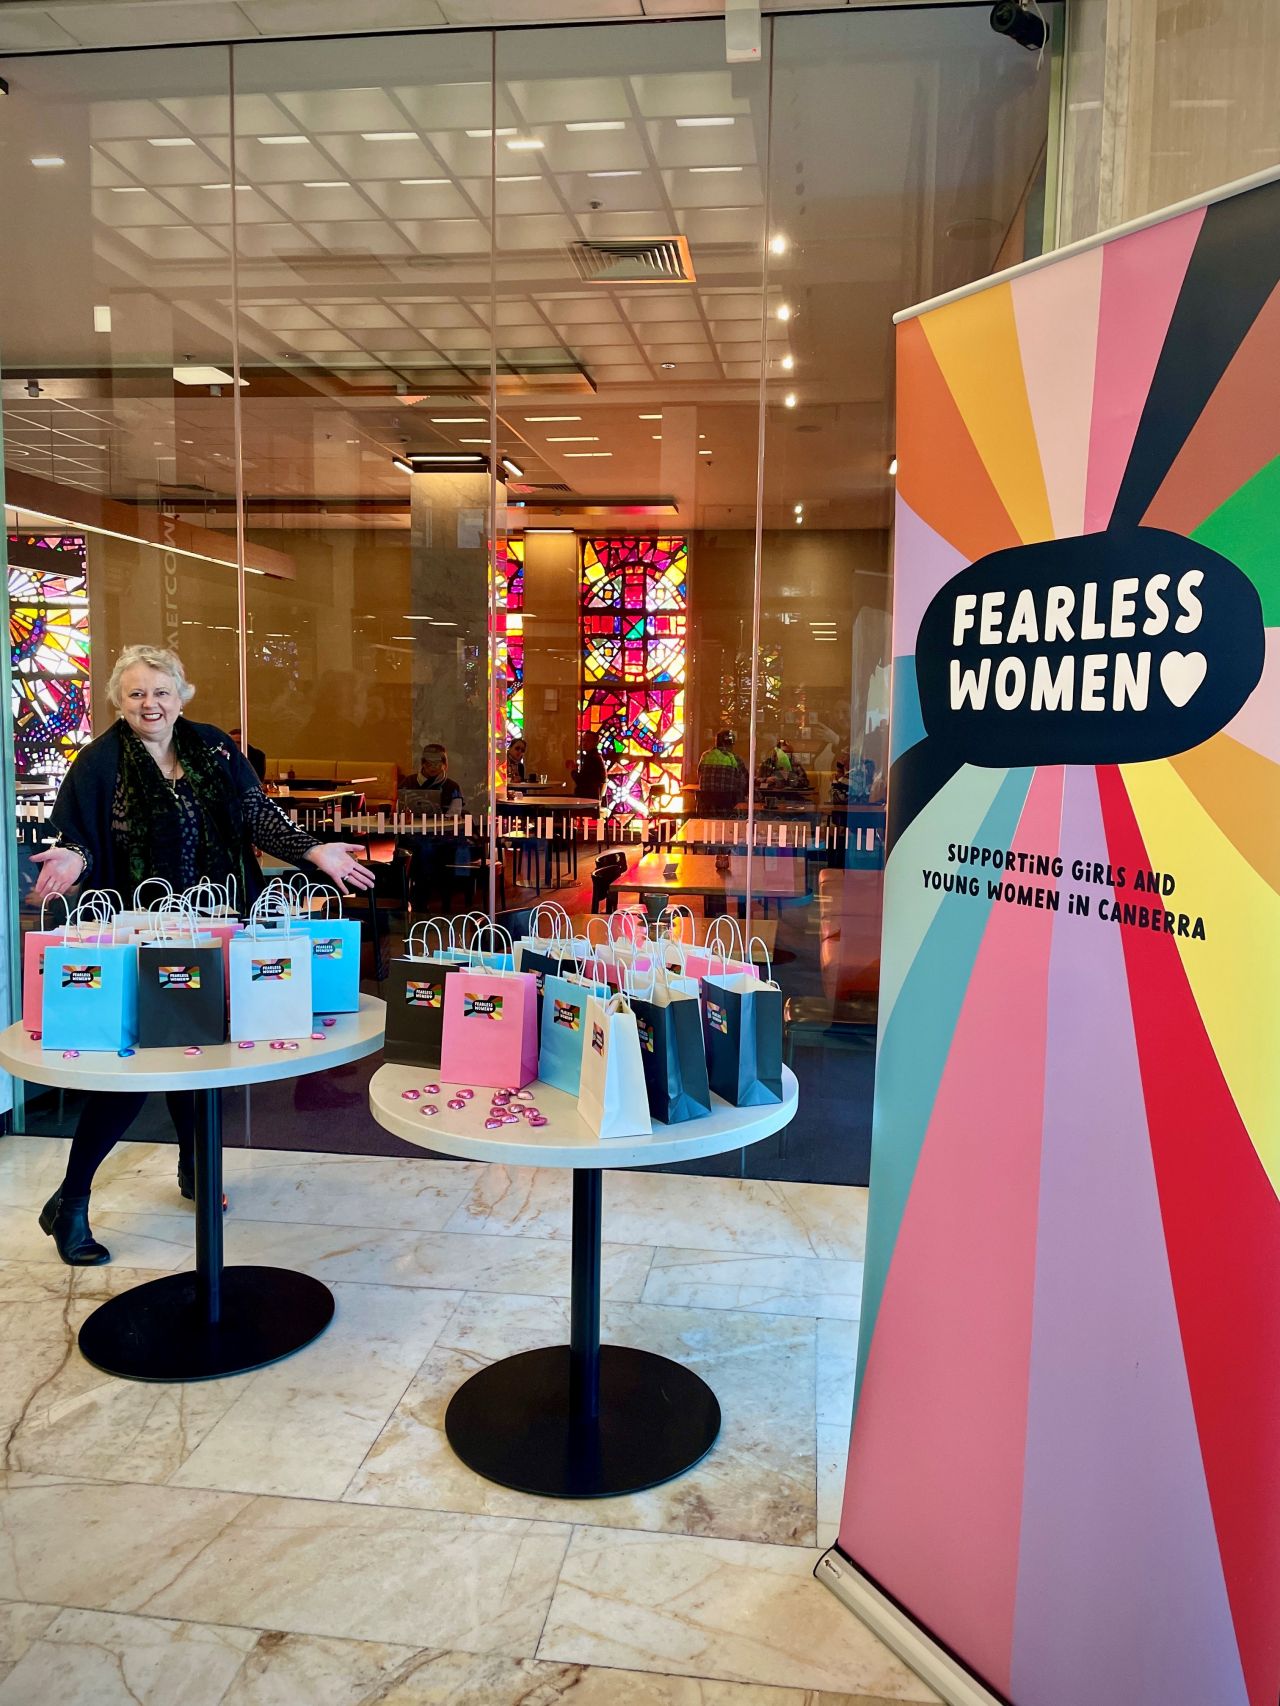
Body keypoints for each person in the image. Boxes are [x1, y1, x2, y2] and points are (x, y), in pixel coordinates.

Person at [30, 644, 374, 1267]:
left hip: (214, 927)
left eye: (160, 691)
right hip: (140, 938)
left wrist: (314, 852)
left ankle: (193, 1168)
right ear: (118, 701)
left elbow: (256, 816)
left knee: (198, 1055)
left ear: (181, 694)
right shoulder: (100, 762)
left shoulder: (213, 747)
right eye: (135, 693)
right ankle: (72, 1199)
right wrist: (71, 860)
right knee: (132, 1078)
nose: (149, 704)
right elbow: (78, 840)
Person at [398, 743, 464, 815]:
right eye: (429, 763)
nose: (433, 766)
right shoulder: (408, 782)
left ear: (444, 765)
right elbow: (398, 811)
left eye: (437, 763)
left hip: (441, 824)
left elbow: (454, 816)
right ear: (423, 763)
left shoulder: (453, 787)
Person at [697, 728, 749, 814]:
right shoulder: (735, 759)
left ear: (716, 742)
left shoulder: (705, 756)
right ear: (730, 744)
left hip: (706, 810)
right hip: (728, 810)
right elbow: (746, 780)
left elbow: (699, 776)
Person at [568, 731, 607, 800]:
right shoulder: (595, 756)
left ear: (595, 743)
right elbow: (586, 779)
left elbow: (580, 781)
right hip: (590, 797)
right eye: (583, 740)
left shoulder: (592, 758)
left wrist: (573, 770)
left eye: (588, 740)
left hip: (587, 799)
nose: (584, 743)